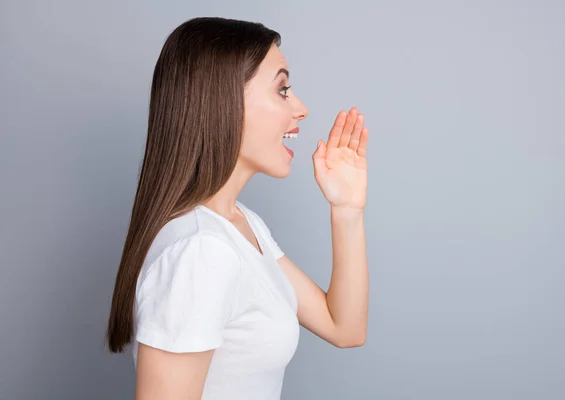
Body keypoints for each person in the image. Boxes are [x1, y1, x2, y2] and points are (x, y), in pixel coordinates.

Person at [105, 16, 369, 400]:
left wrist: (347, 209)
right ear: (224, 100)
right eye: (282, 90)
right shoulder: (200, 251)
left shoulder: (241, 225)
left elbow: (344, 328)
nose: (301, 108)